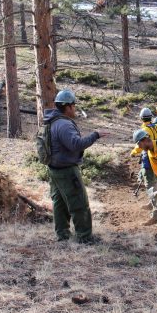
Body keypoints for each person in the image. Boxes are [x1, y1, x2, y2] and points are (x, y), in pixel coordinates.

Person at [44, 89, 105, 243]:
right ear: (69, 106)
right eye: (74, 106)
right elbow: (76, 145)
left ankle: (62, 235)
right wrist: (95, 134)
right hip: (67, 171)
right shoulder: (64, 125)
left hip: (54, 170)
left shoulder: (52, 122)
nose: (75, 109)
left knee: (60, 203)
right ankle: (84, 237)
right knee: (79, 203)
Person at [130, 107, 157, 194]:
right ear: (151, 117)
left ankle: (153, 201)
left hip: (149, 156)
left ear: (141, 118)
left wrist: (133, 152)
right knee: (156, 178)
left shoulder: (144, 130)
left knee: (149, 180)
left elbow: (141, 145)